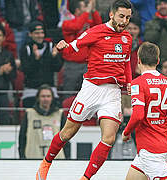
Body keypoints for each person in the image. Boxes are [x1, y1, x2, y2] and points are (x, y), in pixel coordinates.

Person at [35, 1, 133, 180]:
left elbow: (126, 62)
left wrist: (129, 83)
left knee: (109, 138)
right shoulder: (95, 31)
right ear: (111, 15)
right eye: (121, 16)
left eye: (128, 17)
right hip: (91, 89)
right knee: (67, 133)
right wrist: (63, 46)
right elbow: (73, 47)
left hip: (112, 92)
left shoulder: (127, 38)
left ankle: (85, 178)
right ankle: (46, 162)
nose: (125, 21)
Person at [122, 42, 167, 180]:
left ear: (138, 60)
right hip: (158, 147)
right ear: (158, 61)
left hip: (150, 150)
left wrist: (126, 132)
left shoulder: (138, 83)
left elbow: (137, 115)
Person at [61, 0, 102, 95]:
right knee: (69, 93)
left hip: (87, 65)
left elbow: (99, 26)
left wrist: (94, 10)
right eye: (85, 6)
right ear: (77, 10)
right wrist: (87, 12)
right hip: (72, 66)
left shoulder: (88, 22)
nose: (87, 8)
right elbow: (77, 26)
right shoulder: (66, 23)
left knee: (89, 94)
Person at [20, 21, 63, 108]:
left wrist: (54, 56)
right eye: (36, 33)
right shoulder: (26, 49)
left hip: (50, 89)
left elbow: (57, 68)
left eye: (42, 33)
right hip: (31, 90)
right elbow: (26, 70)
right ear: (30, 34)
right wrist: (35, 59)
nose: (40, 36)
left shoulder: (51, 47)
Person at [19, 84, 67, 159]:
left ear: (52, 98)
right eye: (43, 96)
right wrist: (22, 156)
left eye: (48, 96)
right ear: (38, 98)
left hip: (56, 159)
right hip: (32, 157)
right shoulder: (29, 113)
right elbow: (22, 138)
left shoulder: (59, 114)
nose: (46, 99)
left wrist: (68, 158)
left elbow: (66, 139)